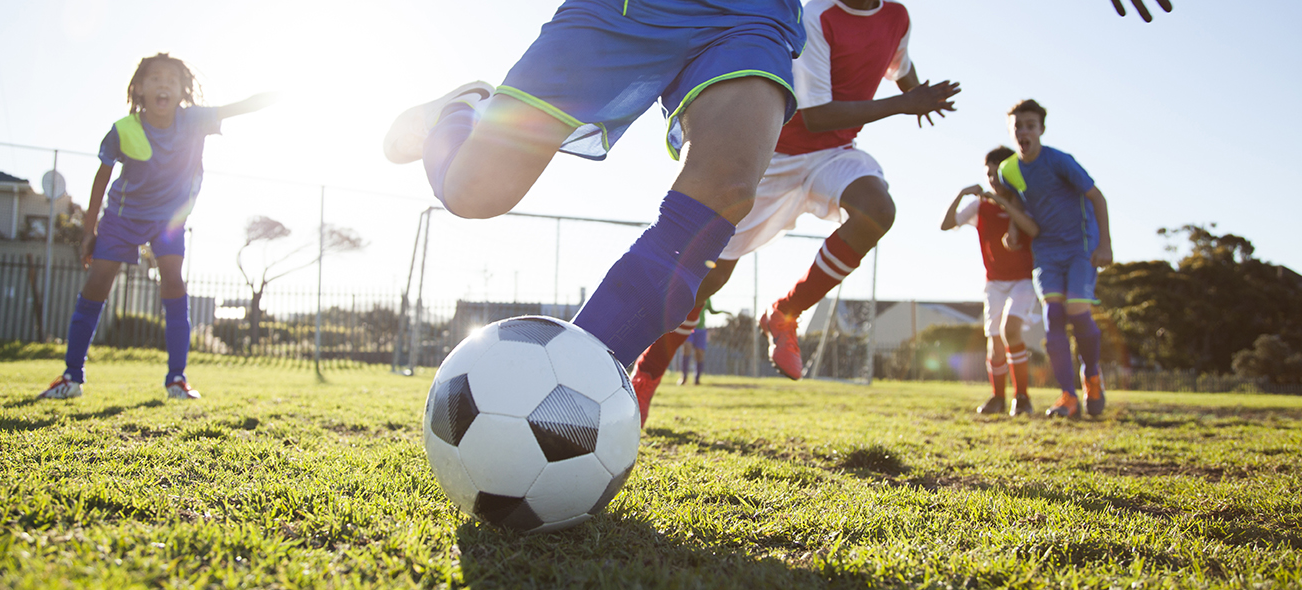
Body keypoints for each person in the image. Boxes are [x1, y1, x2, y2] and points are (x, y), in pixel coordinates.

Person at [384, 0, 808, 380]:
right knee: (475, 191)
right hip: (622, 9)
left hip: (752, 14)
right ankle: (462, 109)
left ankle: (564, 387)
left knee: (724, 193)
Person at [628, 0, 959, 424]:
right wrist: (905, 104)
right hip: (776, 154)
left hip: (834, 154)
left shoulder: (897, 17)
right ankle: (647, 375)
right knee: (710, 275)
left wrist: (918, 95)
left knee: (877, 209)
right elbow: (819, 116)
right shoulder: (817, 15)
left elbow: (900, 67)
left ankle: (785, 313)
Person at [38, 53, 277, 401]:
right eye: (154, 78)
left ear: (182, 90)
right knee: (98, 282)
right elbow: (101, 180)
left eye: (171, 79)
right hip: (122, 216)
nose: (163, 83)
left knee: (173, 280)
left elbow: (239, 106)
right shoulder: (123, 129)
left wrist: (282, 94)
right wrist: (89, 231)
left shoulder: (194, 120)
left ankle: (177, 379)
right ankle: (71, 377)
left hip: (168, 218)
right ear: (139, 89)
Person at [996, 99, 1113, 418]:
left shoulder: (1060, 161)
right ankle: (1068, 396)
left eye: (1030, 126)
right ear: (1011, 130)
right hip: (1046, 250)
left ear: (1041, 130)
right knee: (1054, 317)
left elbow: (1096, 197)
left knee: (1077, 309)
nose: (1023, 131)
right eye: (1018, 126)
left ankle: (1092, 376)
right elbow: (1018, 201)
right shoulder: (1009, 170)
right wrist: (1013, 229)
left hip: (1080, 245)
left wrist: (1106, 245)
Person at [941, 146, 1042, 416]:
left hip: (1022, 280)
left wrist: (1010, 213)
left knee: (1011, 330)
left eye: (999, 174)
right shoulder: (980, 206)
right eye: (989, 175)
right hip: (994, 283)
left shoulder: (1024, 202)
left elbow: (1032, 229)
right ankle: (998, 397)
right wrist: (962, 194)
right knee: (995, 340)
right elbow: (946, 224)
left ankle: (1022, 398)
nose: (994, 180)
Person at [676, 299, 728, 386]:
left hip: (701, 330)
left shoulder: (707, 297)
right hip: (689, 327)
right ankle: (684, 377)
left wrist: (723, 312)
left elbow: (712, 311)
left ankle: (697, 379)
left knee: (699, 353)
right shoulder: (691, 293)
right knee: (686, 349)